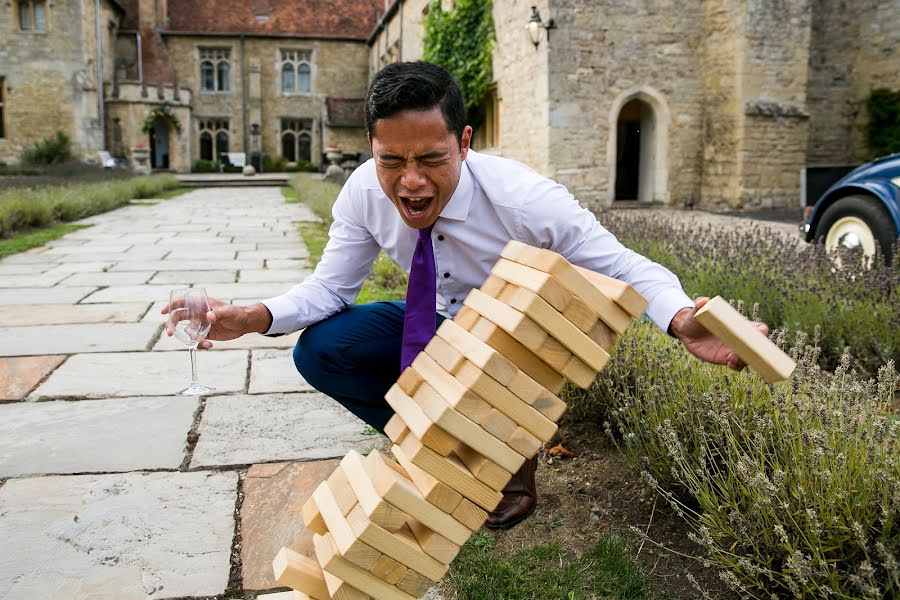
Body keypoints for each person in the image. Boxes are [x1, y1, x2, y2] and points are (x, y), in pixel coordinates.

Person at [164, 61, 765, 530]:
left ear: (465, 142)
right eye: (390, 160)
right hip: (439, 320)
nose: (411, 180)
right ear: (370, 146)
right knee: (321, 349)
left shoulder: (524, 199)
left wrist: (681, 316)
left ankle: (508, 454)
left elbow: (622, 264)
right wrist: (253, 316)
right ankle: (445, 451)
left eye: (431, 158)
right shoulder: (362, 193)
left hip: (517, 341)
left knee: (488, 348)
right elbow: (330, 287)